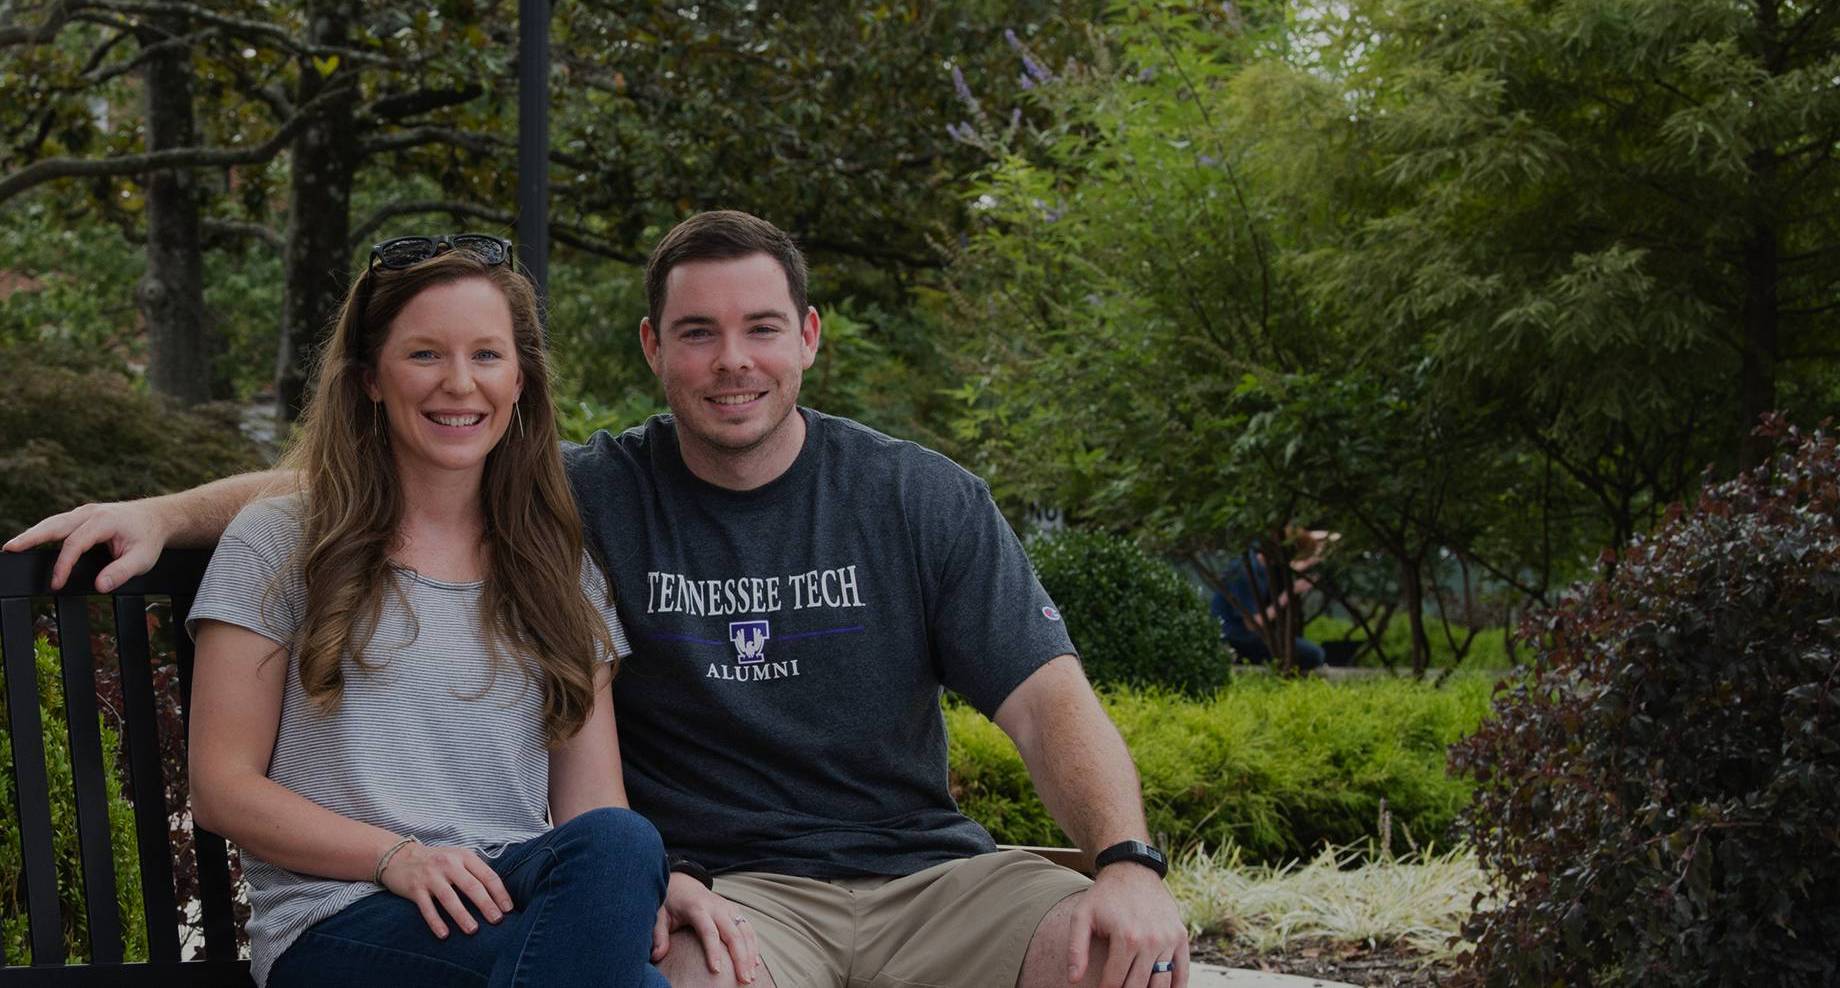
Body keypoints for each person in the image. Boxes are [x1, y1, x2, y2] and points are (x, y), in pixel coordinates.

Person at [9, 211, 1189, 988]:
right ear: (651, 348)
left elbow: (1048, 703)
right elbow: (346, 488)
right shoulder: (578, 496)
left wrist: (1128, 860)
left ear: (808, 338)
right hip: (604, 904)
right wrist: (167, 512)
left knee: (1112, 952)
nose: (732, 360)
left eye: (760, 328)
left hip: (905, 877)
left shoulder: (566, 541)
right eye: (698, 333)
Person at [181, 235, 668, 987]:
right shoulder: (281, 542)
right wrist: (395, 857)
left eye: (486, 355)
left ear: (519, 381)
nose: (459, 383)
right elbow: (221, 789)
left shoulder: (556, 567)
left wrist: (642, 895)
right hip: (341, 915)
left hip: (505, 895)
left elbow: (592, 808)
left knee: (624, 843)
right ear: (371, 378)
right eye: (424, 355)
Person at [1209, 529, 1335, 671]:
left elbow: (1293, 564)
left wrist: (1319, 546)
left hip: (1244, 634)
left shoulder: (1258, 559)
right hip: (1236, 638)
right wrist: (1289, 594)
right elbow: (1253, 624)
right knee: (1314, 655)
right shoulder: (1245, 573)